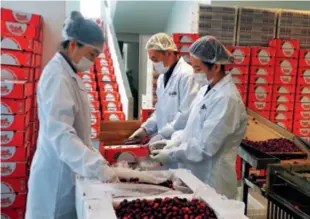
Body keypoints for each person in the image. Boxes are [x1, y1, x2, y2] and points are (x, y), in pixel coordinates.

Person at [26, 12, 166, 219]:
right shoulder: (57, 77)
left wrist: (97, 159)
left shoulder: (71, 75)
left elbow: (80, 133)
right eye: (91, 54)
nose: (91, 61)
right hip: (55, 177)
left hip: (70, 172)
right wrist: (96, 166)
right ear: (73, 44)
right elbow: (62, 134)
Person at [150, 36, 248, 199]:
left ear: (216, 67)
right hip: (196, 174)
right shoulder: (205, 90)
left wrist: (172, 154)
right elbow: (192, 127)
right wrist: (173, 141)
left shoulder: (226, 99)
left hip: (213, 180)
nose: (194, 74)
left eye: (197, 69)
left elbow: (205, 146)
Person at [129, 33, 199, 145]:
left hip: (180, 143)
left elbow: (185, 116)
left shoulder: (187, 75)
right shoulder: (162, 77)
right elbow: (160, 111)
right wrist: (145, 130)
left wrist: (162, 135)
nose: (154, 64)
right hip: (165, 144)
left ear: (169, 53)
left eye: (155, 59)